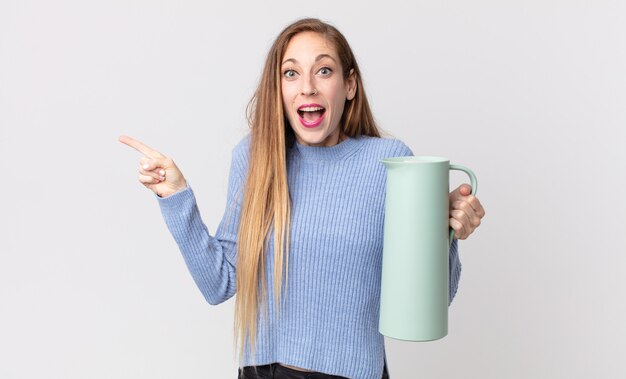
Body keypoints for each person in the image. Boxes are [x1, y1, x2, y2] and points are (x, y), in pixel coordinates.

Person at [119, 18, 485, 379]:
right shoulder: (255, 158)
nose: (307, 87)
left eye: (324, 71)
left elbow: (432, 298)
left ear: (350, 85)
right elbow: (218, 284)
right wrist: (176, 196)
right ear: (278, 89)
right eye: (291, 73)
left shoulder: (387, 162)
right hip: (264, 371)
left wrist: (446, 231)